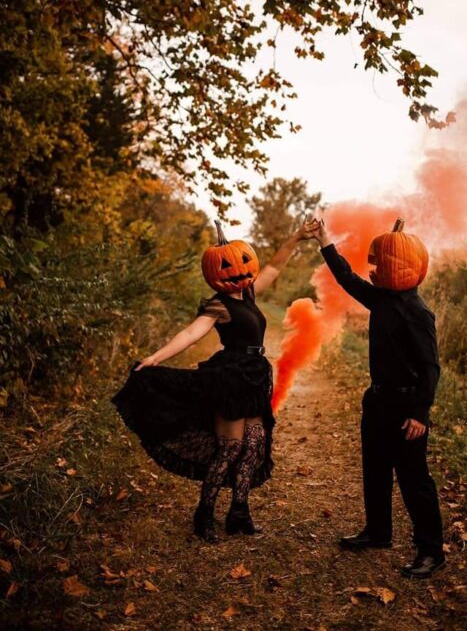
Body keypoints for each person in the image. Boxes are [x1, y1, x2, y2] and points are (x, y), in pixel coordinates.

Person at [111, 218, 315, 543]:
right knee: (230, 448)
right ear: (215, 273)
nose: (240, 273)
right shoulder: (218, 304)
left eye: (245, 264)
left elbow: (274, 267)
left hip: (256, 375)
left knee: (253, 447)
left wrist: (298, 237)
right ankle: (204, 513)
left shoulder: (247, 292)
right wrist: (156, 358)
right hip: (231, 378)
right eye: (230, 268)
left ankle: (239, 512)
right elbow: (191, 334)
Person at [311, 217, 445, 579]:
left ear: (404, 265)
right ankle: (378, 532)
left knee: (414, 480)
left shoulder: (417, 312)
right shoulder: (381, 298)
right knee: (375, 470)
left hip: (406, 408)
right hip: (378, 402)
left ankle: (431, 551)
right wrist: (324, 239)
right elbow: (346, 277)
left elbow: (431, 367)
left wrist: (420, 413)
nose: (374, 267)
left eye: (380, 262)